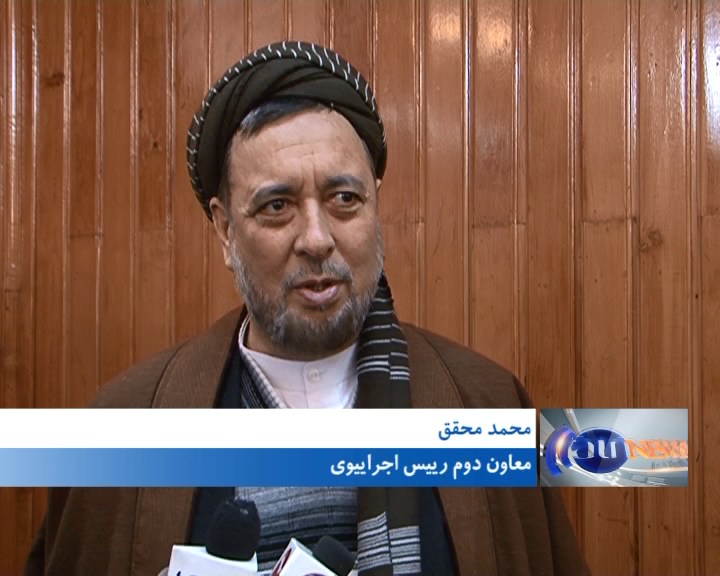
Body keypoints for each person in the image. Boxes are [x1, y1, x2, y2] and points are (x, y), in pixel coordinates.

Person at [24, 41, 589, 576]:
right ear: (225, 230)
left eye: (345, 199)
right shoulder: (121, 427)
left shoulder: (488, 404)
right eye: (277, 205)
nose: (317, 239)